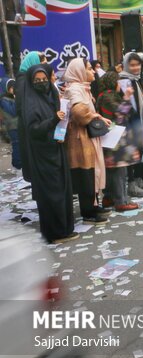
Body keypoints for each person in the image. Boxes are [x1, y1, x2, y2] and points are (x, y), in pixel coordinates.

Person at [23, 64, 77, 243]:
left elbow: (61, 118)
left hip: (56, 149)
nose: (41, 83)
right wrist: (53, 119)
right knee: (51, 193)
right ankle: (55, 233)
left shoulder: (52, 95)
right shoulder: (31, 103)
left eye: (44, 79)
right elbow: (34, 130)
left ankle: (65, 229)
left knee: (63, 189)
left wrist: (61, 133)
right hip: (43, 155)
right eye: (37, 80)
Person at [64, 58, 110, 225]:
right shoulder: (75, 89)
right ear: (80, 71)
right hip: (80, 140)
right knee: (86, 175)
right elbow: (78, 111)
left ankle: (94, 205)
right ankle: (88, 211)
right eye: (89, 69)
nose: (93, 72)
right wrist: (96, 117)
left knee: (93, 171)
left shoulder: (84, 88)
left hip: (88, 138)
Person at [96, 70, 141, 212]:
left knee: (112, 170)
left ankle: (109, 197)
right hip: (115, 138)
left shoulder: (105, 95)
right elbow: (121, 112)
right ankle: (121, 201)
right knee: (119, 171)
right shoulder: (108, 96)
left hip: (111, 137)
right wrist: (127, 97)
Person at [119, 52, 143, 197]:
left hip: (140, 120)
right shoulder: (123, 81)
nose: (136, 67)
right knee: (132, 152)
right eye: (132, 65)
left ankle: (138, 179)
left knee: (140, 150)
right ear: (126, 65)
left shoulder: (137, 80)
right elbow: (125, 104)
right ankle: (131, 183)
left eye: (138, 64)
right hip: (130, 122)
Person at [15, 51, 47, 182]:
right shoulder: (24, 81)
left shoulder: (25, 79)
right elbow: (24, 108)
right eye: (42, 64)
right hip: (31, 127)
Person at [0, 78, 20, 169]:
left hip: (17, 125)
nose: (14, 89)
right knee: (16, 144)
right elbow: (13, 111)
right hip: (11, 127)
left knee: (19, 144)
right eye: (12, 87)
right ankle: (17, 163)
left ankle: (19, 162)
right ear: (7, 88)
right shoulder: (4, 99)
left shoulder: (11, 98)